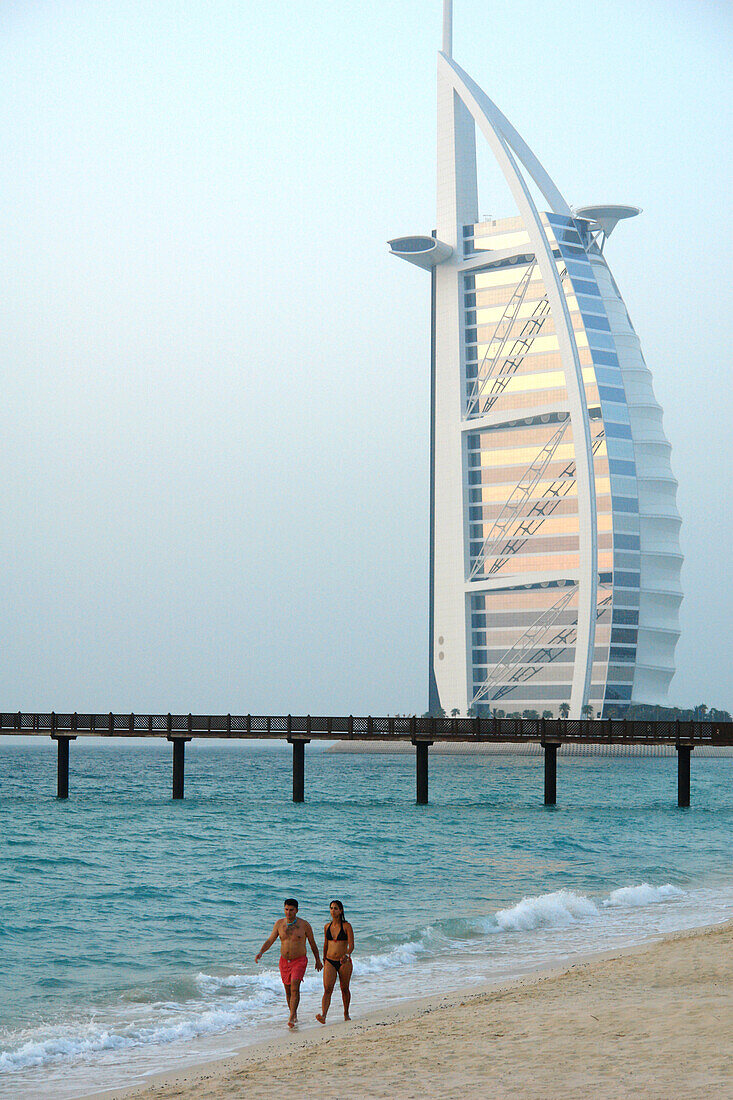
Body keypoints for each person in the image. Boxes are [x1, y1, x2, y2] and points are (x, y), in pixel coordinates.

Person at [255, 898, 322, 1028]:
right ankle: (294, 1013)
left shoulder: (304, 925)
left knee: (295, 987)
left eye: (291, 910)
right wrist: (261, 952)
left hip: (299, 960)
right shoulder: (279, 924)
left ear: (296, 910)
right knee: (288, 990)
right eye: (286, 909)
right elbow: (270, 940)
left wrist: (318, 960)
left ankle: (291, 1017)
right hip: (284, 961)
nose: (288, 912)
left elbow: (312, 944)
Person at [316, 899, 354, 1023]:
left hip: (344, 961)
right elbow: (326, 944)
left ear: (341, 910)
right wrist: (323, 959)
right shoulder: (327, 926)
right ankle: (324, 1015)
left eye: (336, 908)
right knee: (327, 989)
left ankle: (346, 1013)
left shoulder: (347, 926)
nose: (333, 911)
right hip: (330, 961)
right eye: (331, 908)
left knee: (344, 988)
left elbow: (351, 945)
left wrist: (347, 955)